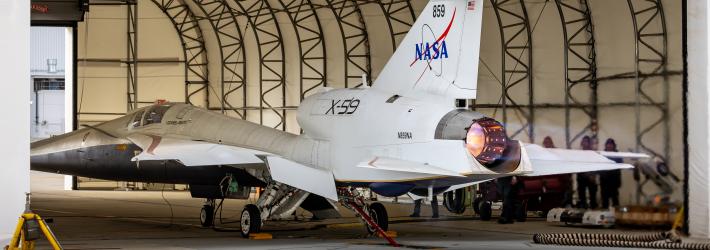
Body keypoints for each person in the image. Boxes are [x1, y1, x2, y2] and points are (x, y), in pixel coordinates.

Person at [599, 138, 622, 209]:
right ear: (605, 145)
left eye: (611, 144)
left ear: (614, 145)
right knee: (604, 200)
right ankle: (604, 215)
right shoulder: (602, 154)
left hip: (614, 180)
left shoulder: (618, 155)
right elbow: (599, 167)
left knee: (615, 199)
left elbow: (619, 168)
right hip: (604, 180)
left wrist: (619, 182)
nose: (609, 146)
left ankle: (616, 215)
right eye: (608, 144)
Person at [577, 136, 598, 209]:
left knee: (592, 195)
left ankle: (593, 209)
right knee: (582, 196)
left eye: (586, 141)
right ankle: (583, 209)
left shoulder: (593, 153)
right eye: (584, 141)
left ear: (589, 143)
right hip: (581, 177)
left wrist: (593, 175)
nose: (585, 143)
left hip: (591, 177)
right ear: (582, 143)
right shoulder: (578, 153)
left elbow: (596, 165)